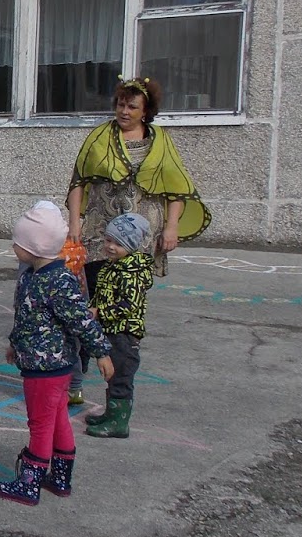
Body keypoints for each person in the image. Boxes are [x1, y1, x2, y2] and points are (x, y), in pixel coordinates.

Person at [0, 202, 114, 507]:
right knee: (58, 418)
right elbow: (25, 318)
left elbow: (82, 320)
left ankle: (29, 483)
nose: (14, 247)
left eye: (18, 243)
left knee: (40, 423)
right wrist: (14, 344)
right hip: (43, 364)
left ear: (34, 246)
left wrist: (101, 352)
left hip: (47, 369)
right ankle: (60, 478)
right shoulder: (30, 277)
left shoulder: (59, 281)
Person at [66, 74, 208, 299]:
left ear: (145, 111)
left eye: (132, 107)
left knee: (130, 293)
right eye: (121, 105)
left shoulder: (160, 140)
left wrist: (171, 227)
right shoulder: (99, 138)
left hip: (142, 233)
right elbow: (78, 182)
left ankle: (125, 324)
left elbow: (176, 189)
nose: (124, 111)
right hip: (101, 229)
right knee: (95, 286)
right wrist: (74, 224)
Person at [85, 213, 155, 440]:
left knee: (121, 375)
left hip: (125, 333)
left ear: (131, 246)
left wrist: (100, 312)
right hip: (111, 329)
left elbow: (128, 305)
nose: (110, 247)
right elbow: (101, 293)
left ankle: (119, 422)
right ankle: (111, 413)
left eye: (118, 243)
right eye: (108, 240)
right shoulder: (112, 266)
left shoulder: (131, 273)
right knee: (113, 374)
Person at [59, 236, 90, 406]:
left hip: (60, 305)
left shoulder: (46, 247)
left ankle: (67, 387)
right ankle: (75, 387)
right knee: (73, 344)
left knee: (64, 345)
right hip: (76, 302)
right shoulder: (73, 246)